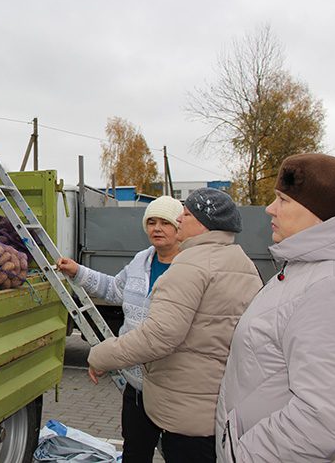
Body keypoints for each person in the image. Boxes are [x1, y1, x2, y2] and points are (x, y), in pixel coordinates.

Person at [86, 188, 262, 463]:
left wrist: (100, 356)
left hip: (183, 404)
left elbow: (159, 336)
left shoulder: (189, 266)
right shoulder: (244, 264)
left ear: (203, 223)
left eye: (186, 215)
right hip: (215, 402)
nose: (179, 220)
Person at [216, 154, 335, 462]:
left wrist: (244, 455)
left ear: (320, 212)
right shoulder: (306, 270)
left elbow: (328, 417)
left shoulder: (332, 285)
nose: (270, 208)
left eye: (283, 200)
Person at [56, 195, 183, 463]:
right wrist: (78, 272)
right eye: (151, 222)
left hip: (175, 388)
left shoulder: (189, 268)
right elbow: (114, 289)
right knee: (135, 453)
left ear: (178, 227)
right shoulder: (141, 261)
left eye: (165, 223)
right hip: (137, 387)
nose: (157, 228)